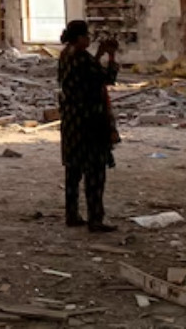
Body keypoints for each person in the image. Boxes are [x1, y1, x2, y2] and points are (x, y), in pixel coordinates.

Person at [57, 20, 120, 233]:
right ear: (79, 37)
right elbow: (106, 78)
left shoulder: (66, 55)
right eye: (86, 36)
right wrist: (111, 56)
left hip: (72, 121)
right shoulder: (82, 58)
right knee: (95, 172)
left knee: (73, 171)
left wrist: (99, 54)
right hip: (90, 122)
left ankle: (72, 214)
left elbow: (87, 75)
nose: (89, 39)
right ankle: (95, 218)